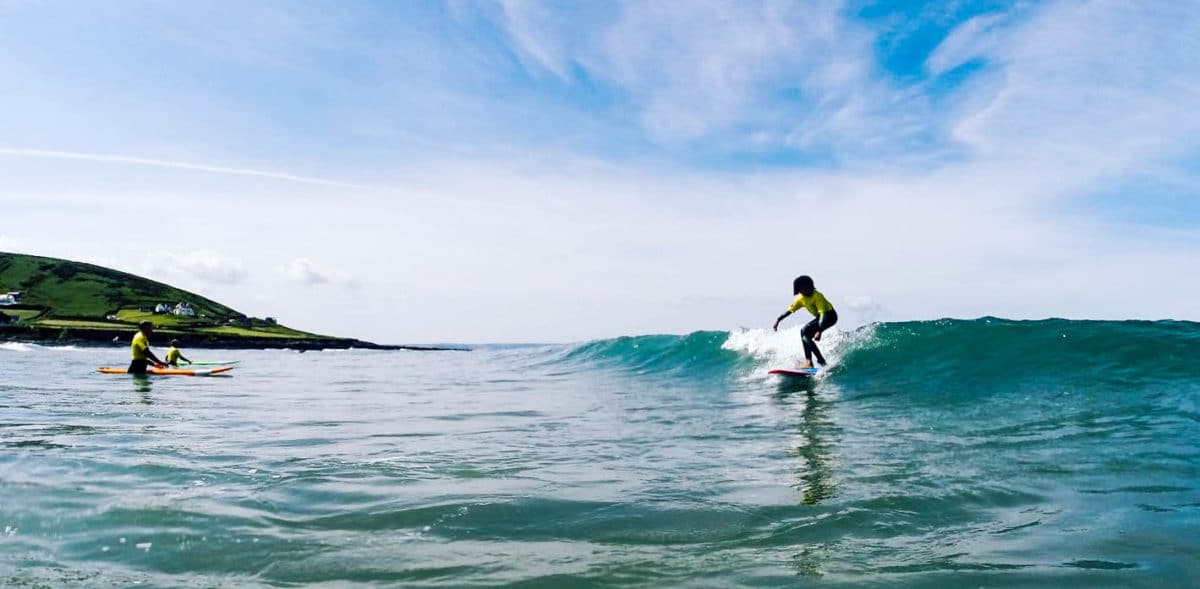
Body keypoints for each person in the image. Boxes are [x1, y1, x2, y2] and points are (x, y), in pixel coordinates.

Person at [773, 275, 838, 369]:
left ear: (810, 286)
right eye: (802, 288)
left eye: (807, 287)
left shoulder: (817, 296)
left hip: (830, 317)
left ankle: (815, 361)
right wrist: (778, 320)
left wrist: (819, 331)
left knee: (804, 332)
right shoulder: (801, 299)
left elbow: (823, 315)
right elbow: (790, 310)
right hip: (820, 317)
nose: (805, 290)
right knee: (804, 334)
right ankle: (813, 361)